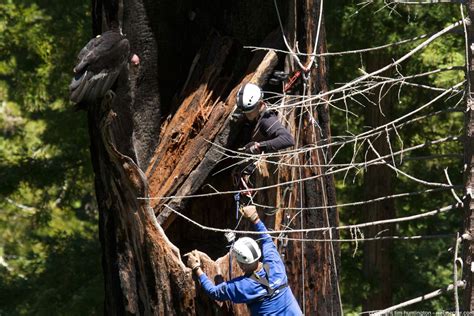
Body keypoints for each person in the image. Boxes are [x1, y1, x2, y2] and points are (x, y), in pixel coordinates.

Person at [185, 205, 303, 315]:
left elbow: (214, 292)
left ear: (242, 265)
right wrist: (255, 218)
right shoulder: (275, 264)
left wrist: (196, 268)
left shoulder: (244, 287)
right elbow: (267, 240)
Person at [236, 83, 295, 155]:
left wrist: (260, 146)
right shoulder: (256, 115)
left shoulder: (267, 120)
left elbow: (288, 139)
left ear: (261, 104)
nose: (246, 115)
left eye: (249, 112)